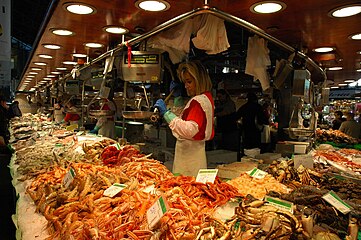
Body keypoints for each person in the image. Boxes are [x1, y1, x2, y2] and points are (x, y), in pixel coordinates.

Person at [154, 60, 214, 176]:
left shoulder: (198, 102)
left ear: (199, 80)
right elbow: (185, 119)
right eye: (184, 82)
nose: (186, 86)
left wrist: (167, 114)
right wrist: (178, 99)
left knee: (187, 189)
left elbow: (189, 130)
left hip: (190, 160)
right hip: (192, 156)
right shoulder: (205, 98)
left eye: (189, 82)